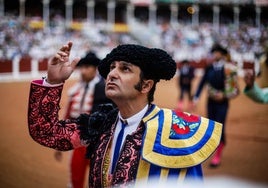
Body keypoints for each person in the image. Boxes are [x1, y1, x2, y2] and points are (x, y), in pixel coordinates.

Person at [27, 41, 222, 187]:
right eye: (112, 68)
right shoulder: (100, 124)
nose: (111, 74)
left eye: (125, 68)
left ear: (146, 85)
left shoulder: (175, 132)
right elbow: (45, 132)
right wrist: (52, 82)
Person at [54, 51, 112, 188]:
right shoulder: (77, 89)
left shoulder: (104, 88)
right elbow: (68, 114)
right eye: (82, 68)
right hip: (79, 140)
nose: (83, 71)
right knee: (76, 175)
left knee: (100, 178)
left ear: (94, 68)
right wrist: (60, 139)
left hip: (99, 142)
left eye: (87, 67)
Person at [192, 44, 239, 168]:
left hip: (222, 103)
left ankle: (218, 152)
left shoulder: (228, 69)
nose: (215, 55)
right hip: (210, 101)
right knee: (212, 126)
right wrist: (196, 97)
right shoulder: (209, 68)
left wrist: (223, 95)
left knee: (220, 126)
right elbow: (202, 82)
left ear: (222, 55)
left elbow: (234, 89)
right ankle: (215, 149)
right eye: (214, 52)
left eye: (218, 52)